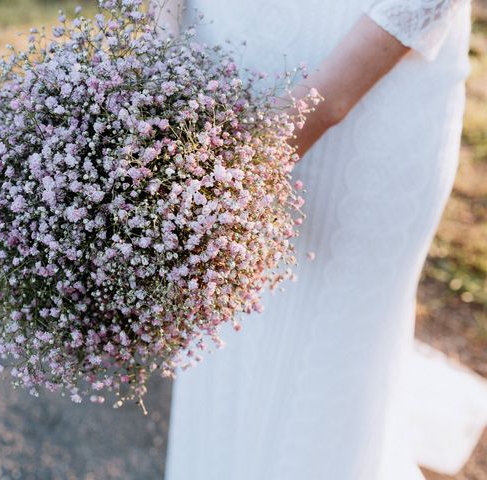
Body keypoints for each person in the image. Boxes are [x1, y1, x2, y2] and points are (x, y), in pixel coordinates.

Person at [154, 0, 487, 478]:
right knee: (219, 352)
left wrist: (295, 125)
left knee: (330, 360)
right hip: (218, 49)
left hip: (379, 77)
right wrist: (157, 49)